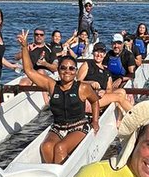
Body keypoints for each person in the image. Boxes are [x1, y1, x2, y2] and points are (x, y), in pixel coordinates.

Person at [16, 31, 100, 164]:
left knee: (60, 148)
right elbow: (29, 71)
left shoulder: (82, 88)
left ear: (76, 72)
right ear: (59, 70)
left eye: (72, 68)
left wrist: (95, 121)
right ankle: (53, 173)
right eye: (63, 68)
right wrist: (25, 47)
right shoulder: (51, 85)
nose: (67, 71)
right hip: (58, 127)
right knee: (46, 147)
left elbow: (95, 101)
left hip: (78, 127)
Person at [77, 42, 134, 113]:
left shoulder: (107, 72)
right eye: (96, 52)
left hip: (101, 96)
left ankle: (119, 120)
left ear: (104, 55)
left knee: (122, 91)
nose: (99, 55)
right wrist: (90, 83)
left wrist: (104, 92)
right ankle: (136, 116)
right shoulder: (87, 64)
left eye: (101, 52)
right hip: (89, 98)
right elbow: (77, 82)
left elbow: (109, 90)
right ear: (93, 53)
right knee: (118, 96)